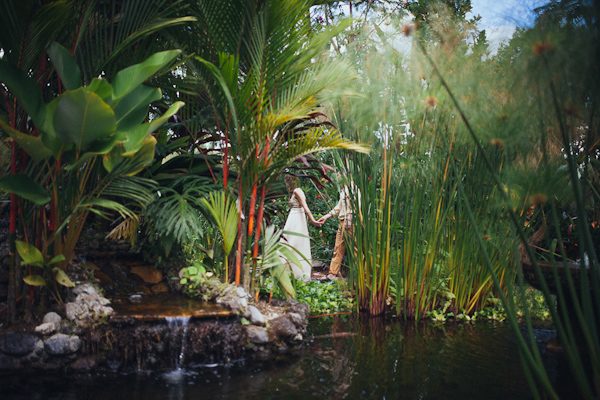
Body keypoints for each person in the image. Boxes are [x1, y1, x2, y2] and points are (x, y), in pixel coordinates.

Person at [280, 174, 322, 282]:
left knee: (295, 243)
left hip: (297, 219)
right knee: (289, 242)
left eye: (287, 182)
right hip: (293, 219)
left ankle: (298, 272)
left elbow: (305, 205)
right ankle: (288, 271)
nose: (286, 184)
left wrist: (313, 220)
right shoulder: (294, 192)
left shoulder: (297, 191)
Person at [317, 175, 357, 280]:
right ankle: (332, 273)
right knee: (338, 247)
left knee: (355, 248)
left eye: (339, 175)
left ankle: (363, 274)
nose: (337, 177)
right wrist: (327, 216)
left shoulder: (353, 189)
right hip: (342, 221)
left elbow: (357, 205)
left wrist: (350, 219)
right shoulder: (344, 190)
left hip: (350, 221)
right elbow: (339, 207)